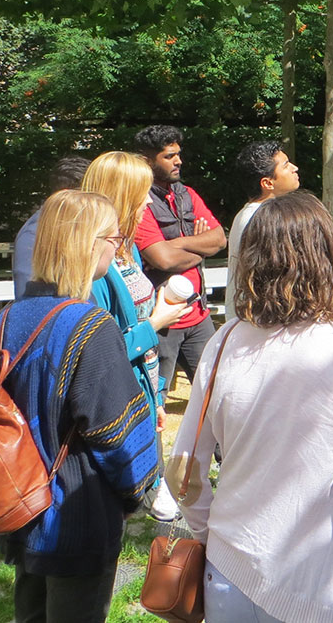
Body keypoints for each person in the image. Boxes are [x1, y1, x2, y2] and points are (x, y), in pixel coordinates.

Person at [170, 191, 333, 623]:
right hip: (325, 579)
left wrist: (208, 537)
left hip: (230, 571)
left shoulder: (224, 341)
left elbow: (184, 469)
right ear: (329, 256)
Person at [0, 189, 160, 622]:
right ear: (90, 244)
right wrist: (137, 492)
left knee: (30, 612)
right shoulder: (90, 325)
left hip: (21, 501)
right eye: (113, 237)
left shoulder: (11, 316)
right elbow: (118, 433)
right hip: (75, 512)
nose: (118, 245)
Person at [81, 151, 191, 521]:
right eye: (143, 192)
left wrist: (156, 396)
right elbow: (100, 353)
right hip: (117, 401)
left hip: (141, 389)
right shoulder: (95, 267)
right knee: (116, 510)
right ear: (120, 195)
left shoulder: (123, 251)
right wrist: (156, 322)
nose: (149, 200)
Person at [133, 125, 226, 397]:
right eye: (169, 156)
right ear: (148, 161)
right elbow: (162, 259)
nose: (179, 161)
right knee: (154, 401)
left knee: (216, 398)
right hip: (162, 322)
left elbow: (219, 238)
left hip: (198, 316)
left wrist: (178, 244)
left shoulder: (186, 194)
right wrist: (200, 246)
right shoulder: (140, 202)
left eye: (178, 154)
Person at [225, 141, 300, 321]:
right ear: (267, 183)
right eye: (286, 165)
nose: (294, 168)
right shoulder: (257, 219)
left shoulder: (253, 214)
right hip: (258, 323)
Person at [12, 156, 90, 299]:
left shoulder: (76, 224)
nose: (93, 202)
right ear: (66, 194)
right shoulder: (35, 233)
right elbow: (28, 298)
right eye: (87, 194)